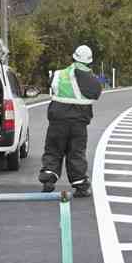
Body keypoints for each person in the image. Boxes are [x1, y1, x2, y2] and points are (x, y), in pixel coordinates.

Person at [38, 45, 102, 197]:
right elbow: (96, 94)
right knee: (76, 154)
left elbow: (50, 84)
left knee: (53, 151)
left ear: (73, 57)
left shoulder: (58, 74)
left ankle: (48, 179)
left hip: (57, 122)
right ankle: (80, 186)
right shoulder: (92, 80)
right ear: (90, 62)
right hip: (78, 124)